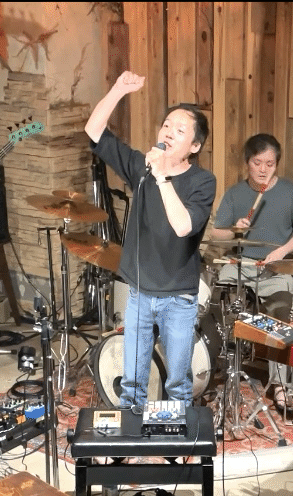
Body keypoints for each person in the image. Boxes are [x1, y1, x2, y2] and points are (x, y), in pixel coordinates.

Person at [84, 71, 216, 408]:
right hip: (140, 292)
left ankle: (175, 438)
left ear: (195, 147)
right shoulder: (142, 168)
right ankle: (132, 436)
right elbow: (94, 130)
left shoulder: (202, 182)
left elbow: (183, 226)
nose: (168, 132)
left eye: (180, 130)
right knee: (131, 385)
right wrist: (117, 89)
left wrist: (161, 177)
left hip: (178, 298)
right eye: (166, 125)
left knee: (179, 384)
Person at [210, 133, 293, 419]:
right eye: (257, 163)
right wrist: (234, 230)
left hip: (275, 268)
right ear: (247, 162)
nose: (263, 169)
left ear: (277, 163)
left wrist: (281, 251)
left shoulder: (290, 192)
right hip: (241, 264)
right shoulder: (235, 193)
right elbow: (216, 234)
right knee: (217, 300)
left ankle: (279, 385)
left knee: (282, 314)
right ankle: (216, 369)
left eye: (270, 163)